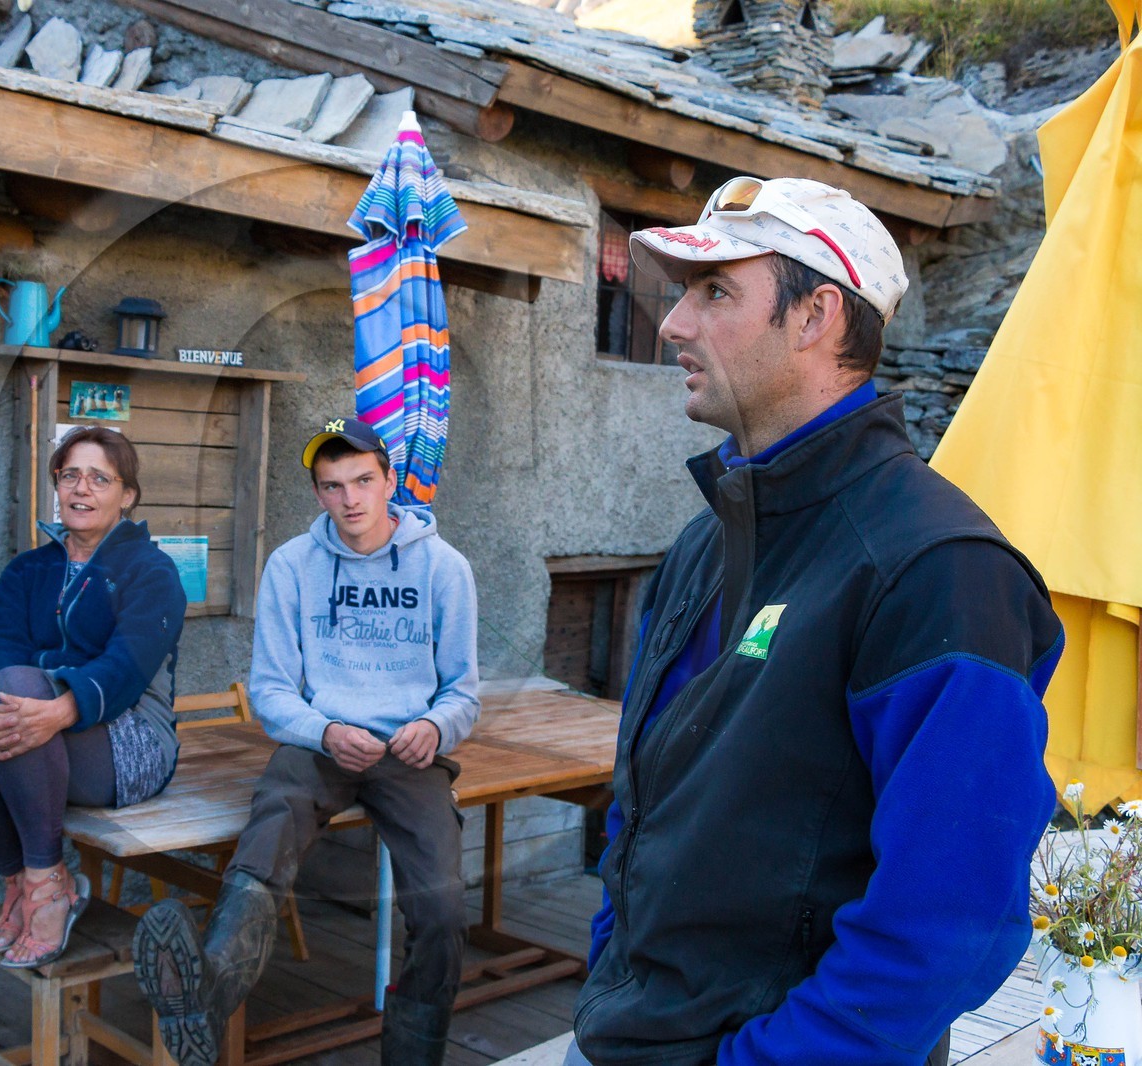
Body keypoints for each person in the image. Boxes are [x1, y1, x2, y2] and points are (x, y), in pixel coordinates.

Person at [572, 177, 1063, 1065]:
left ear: (816, 316)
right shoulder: (701, 542)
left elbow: (953, 916)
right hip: (628, 1035)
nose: (674, 324)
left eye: (715, 291)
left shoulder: (938, 569)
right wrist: (612, 973)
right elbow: (644, 808)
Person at [132, 416, 481, 1066]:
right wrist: (323, 729)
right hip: (320, 742)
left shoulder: (444, 568)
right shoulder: (292, 566)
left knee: (442, 907)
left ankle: (412, 1054)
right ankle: (208, 988)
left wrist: (433, 727)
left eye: (361, 481)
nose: (349, 498)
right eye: (332, 485)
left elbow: (463, 693)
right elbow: (270, 691)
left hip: (411, 754)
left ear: (389, 481)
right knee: (273, 822)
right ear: (317, 492)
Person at [0, 426, 187, 969]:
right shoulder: (28, 570)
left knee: (18, 687)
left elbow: (126, 668)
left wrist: (53, 710)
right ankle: (31, 879)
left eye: (100, 479)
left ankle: (45, 881)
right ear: (56, 486)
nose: (82, 489)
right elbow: (0, 644)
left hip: (127, 745)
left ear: (127, 495)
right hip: (34, 730)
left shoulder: (151, 570)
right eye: (70, 475)